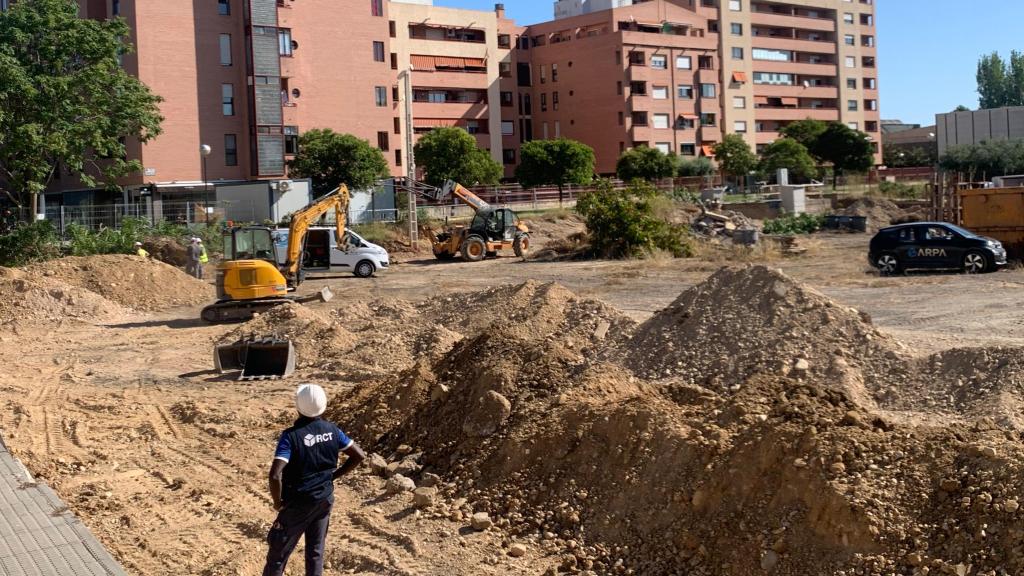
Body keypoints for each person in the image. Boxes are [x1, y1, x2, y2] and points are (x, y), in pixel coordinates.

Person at [263, 384, 365, 576]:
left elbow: (275, 475)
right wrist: (333, 476)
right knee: (315, 552)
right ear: (323, 405)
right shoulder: (332, 430)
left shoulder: (291, 436)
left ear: (298, 406)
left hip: (298, 504)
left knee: (278, 556)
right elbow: (359, 455)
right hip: (324, 499)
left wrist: (277, 503)